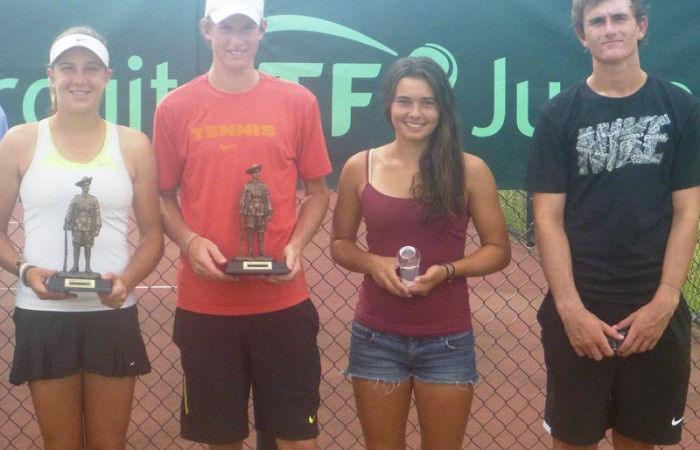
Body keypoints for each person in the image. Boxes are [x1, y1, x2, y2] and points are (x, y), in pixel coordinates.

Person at [152, 0, 332, 448]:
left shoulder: (297, 101)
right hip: (206, 305)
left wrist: (297, 245)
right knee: (222, 437)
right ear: (206, 30)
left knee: (296, 436)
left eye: (245, 29)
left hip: (282, 303)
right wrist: (191, 242)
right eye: (225, 27)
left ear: (262, 31)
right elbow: (163, 197)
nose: (236, 39)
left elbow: (318, 192)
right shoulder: (175, 107)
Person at [524, 1, 700, 448]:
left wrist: (665, 300)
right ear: (583, 37)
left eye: (619, 17)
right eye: (596, 21)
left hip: (654, 311)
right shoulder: (558, 115)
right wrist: (570, 310)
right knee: (573, 441)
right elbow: (547, 218)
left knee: (638, 441)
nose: (609, 28)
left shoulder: (681, 107)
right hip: (582, 310)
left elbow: (688, 212)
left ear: (640, 27)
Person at [330, 57, 511, 450]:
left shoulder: (470, 170)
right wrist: (373, 263)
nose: (416, 113)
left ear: (442, 108)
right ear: (389, 106)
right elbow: (340, 244)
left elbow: (498, 250)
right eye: (404, 101)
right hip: (375, 336)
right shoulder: (359, 167)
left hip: (446, 339)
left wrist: (447, 271)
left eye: (428, 102)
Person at [0, 26, 163, 449]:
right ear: (50, 75)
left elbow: (152, 237)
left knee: (109, 443)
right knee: (61, 443)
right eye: (68, 68)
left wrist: (126, 282)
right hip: (42, 313)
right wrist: (26, 270)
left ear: (106, 76)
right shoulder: (19, 142)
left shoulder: (133, 144)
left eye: (91, 68)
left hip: (112, 313)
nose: (79, 78)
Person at [64, 176, 102, 273]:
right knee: (76, 245)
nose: (87, 186)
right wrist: (68, 222)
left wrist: (97, 227)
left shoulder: (93, 200)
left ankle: (87, 267)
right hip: (77, 226)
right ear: (81, 186)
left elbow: (97, 214)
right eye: (85, 185)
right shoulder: (76, 199)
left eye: (88, 184)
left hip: (89, 227)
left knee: (88, 246)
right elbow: (70, 211)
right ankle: (75, 265)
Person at [239, 163, 273, 258]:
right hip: (250, 211)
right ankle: (250, 252)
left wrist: (269, 212)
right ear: (252, 174)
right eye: (255, 172)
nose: (257, 174)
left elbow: (268, 199)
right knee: (250, 230)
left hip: (262, 211)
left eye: (258, 172)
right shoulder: (247, 186)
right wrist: (241, 209)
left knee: (261, 231)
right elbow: (243, 199)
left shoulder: (264, 186)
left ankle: (262, 251)